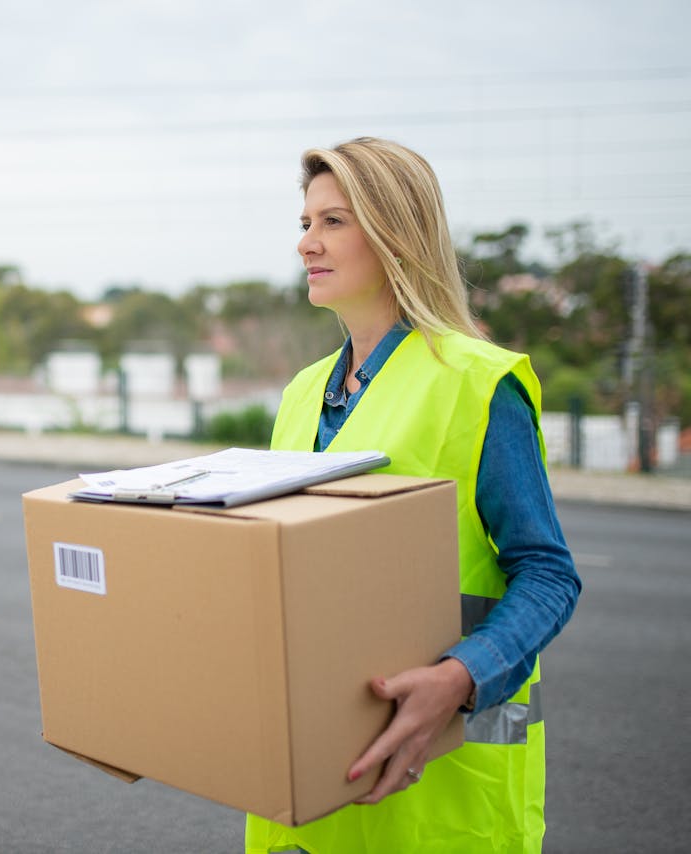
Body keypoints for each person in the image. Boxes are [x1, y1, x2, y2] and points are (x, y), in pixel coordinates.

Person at [244, 137, 582, 853]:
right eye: (305, 223)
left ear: (397, 232)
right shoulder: (303, 394)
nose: (308, 243)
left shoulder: (477, 383)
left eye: (334, 221)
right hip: (309, 785)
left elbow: (548, 574)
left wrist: (462, 678)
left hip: (444, 788)